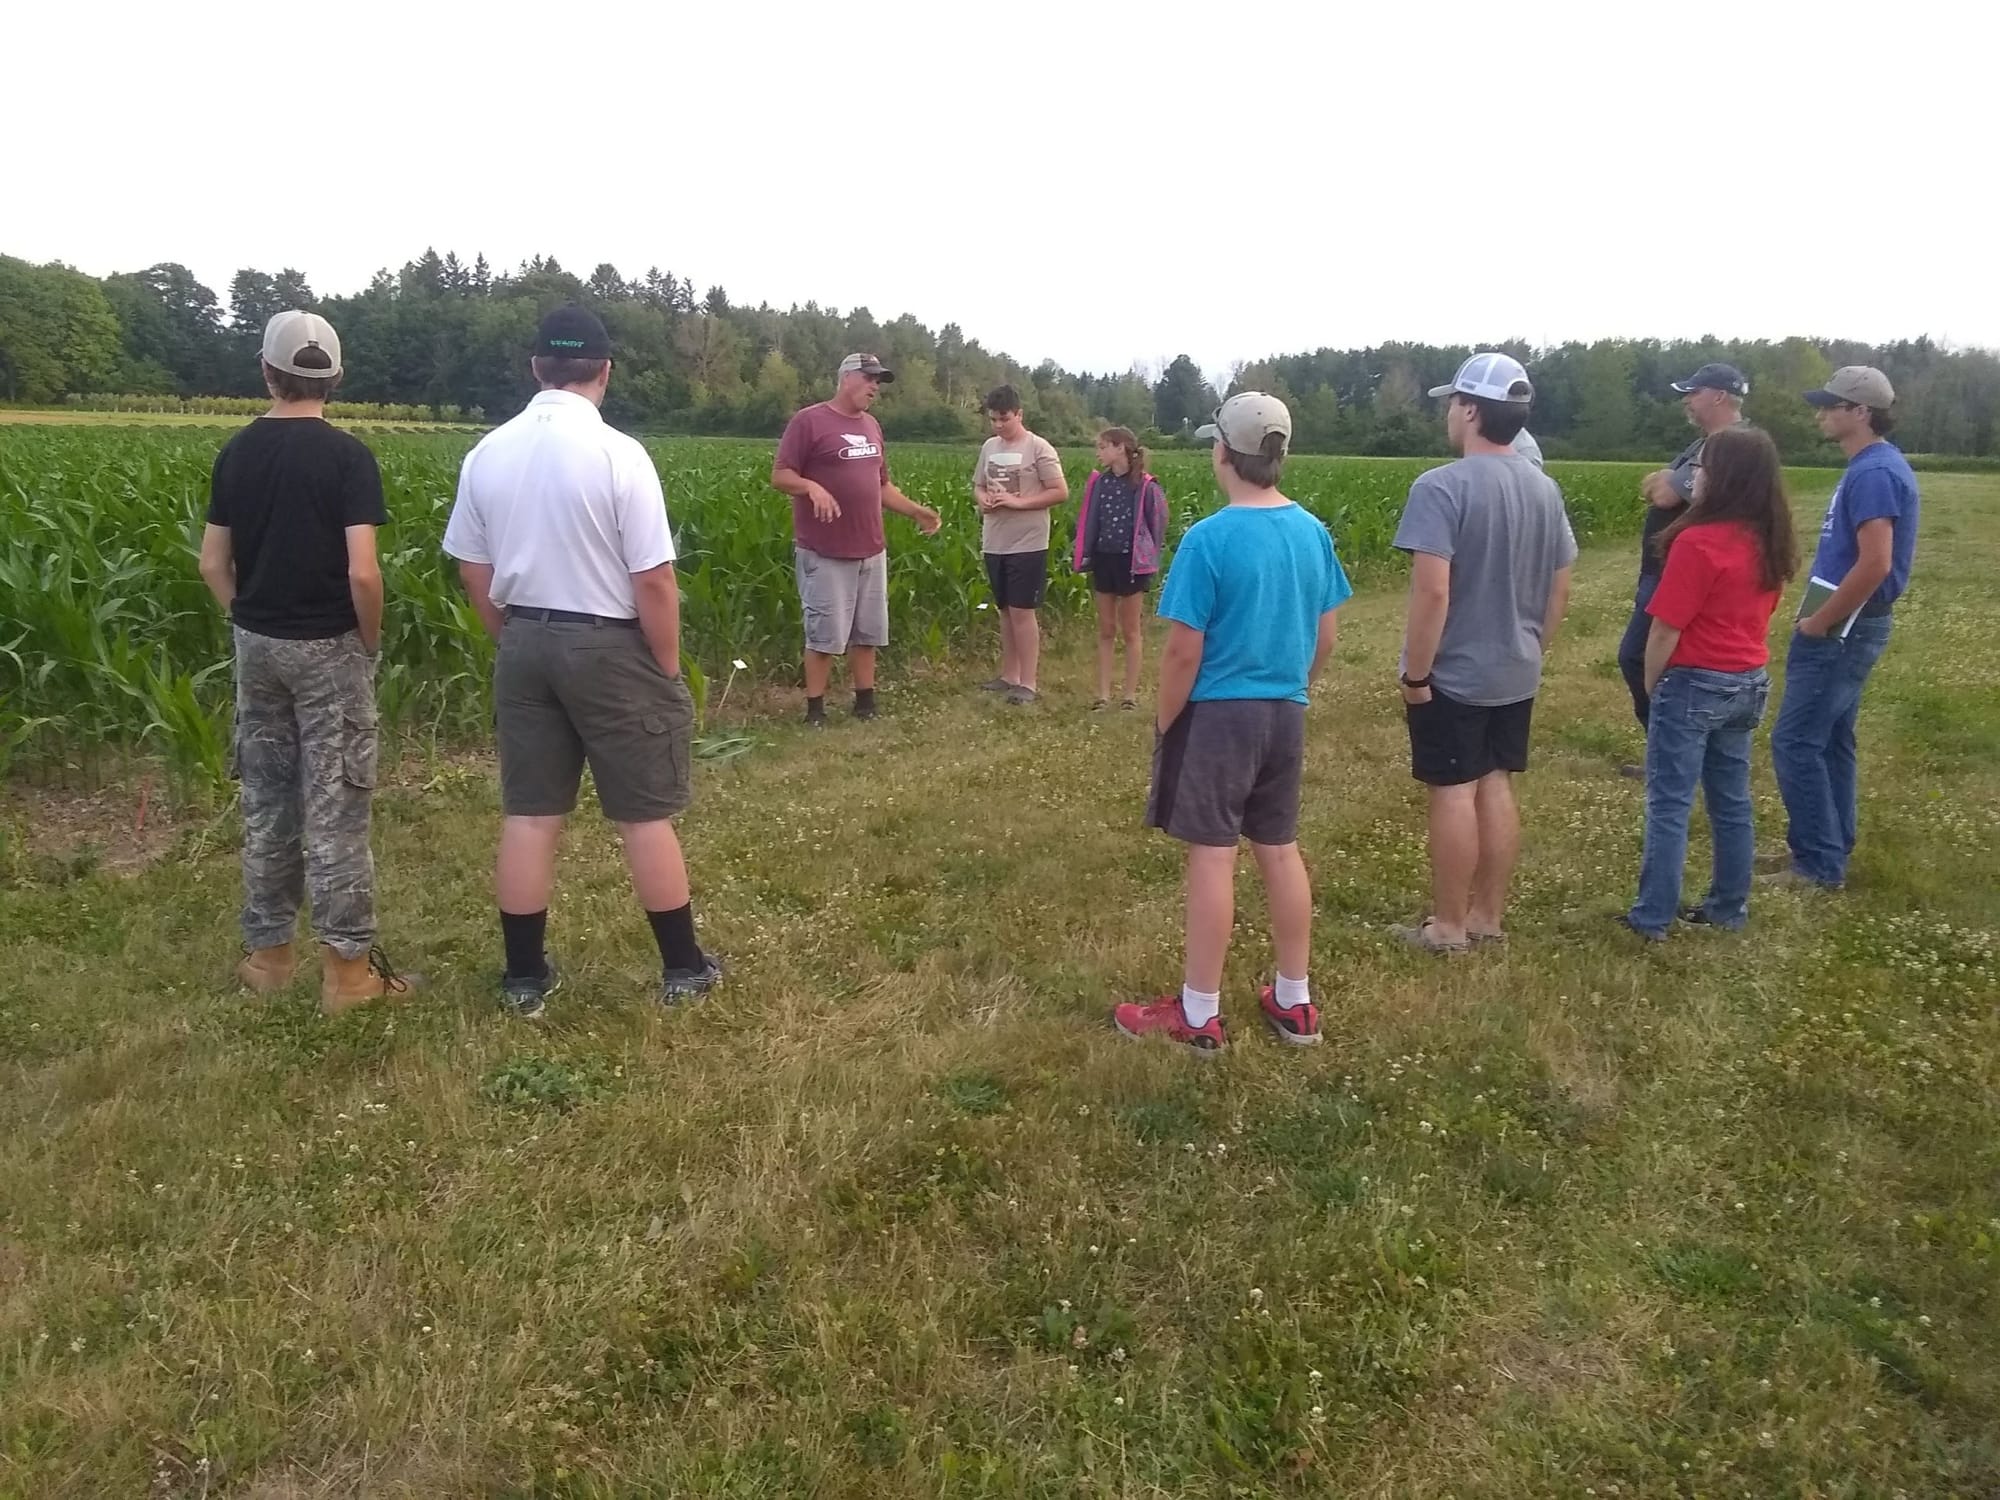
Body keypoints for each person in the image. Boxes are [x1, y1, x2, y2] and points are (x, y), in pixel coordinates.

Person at [443, 305, 719, 1019]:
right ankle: (684, 967)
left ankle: (525, 977)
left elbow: (473, 570)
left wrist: (512, 637)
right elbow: (654, 580)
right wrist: (664, 665)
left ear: (537, 367)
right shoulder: (618, 454)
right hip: (608, 641)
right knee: (642, 817)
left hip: (525, 638)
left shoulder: (486, 453)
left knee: (531, 815)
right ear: (604, 371)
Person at [197, 310, 420, 1016]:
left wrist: (245, 617)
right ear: (336, 377)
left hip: (256, 645)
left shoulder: (237, 453)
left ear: (265, 371)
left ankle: (268, 959)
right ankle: (348, 976)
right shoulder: (348, 457)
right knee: (337, 808)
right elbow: (364, 574)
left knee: (267, 802)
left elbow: (211, 562)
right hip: (329, 649)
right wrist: (368, 642)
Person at [1114, 393, 1352, 1053]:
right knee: (1278, 849)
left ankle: (1198, 1012)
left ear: (1222, 452)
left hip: (1220, 717)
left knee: (1214, 855)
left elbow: (1184, 650)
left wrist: (1167, 722)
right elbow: (1326, 633)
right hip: (1286, 711)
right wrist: (1295, 687)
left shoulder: (1209, 538)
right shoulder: (1311, 531)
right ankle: (1294, 999)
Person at [1393, 353, 1576, 953]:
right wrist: (1533, 646)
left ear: (1471, 410)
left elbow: (1433, 589)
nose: (1449, 413)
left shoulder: (1441, 487)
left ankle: (1447, 927)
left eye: (1453, 402)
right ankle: (1487, 916)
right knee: (1495, 782)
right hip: (1516, 667)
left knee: (1453, 789)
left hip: (1457, 672)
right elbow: (1560, 582)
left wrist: (1417, 675)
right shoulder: (1543, 487)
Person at [1623, 426, 1798, 938]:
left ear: (1725, 478)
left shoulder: (1696, 541)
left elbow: (1665, 628)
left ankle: (1652, 916)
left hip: (1693, 681)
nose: (1693, 474)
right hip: (1748, 680)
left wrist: (1655, 687)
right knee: (1731, 799)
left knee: (1669, 802)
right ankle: (1728, 907)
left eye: (1702, 467)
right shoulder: (1769, 541)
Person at [1765, 367, 1920, 890]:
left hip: (1843, 627)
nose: (1821, 413)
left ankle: (1816, 864)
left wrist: (1818, 623)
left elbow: (1876, 564)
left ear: (1861, 412)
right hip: (1849, 622)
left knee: (1795, 742)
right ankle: (1830, 842)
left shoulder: (1873, 473)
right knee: (1831, 739)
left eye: (1831, 405)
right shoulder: (1872, 466)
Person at [771, 353, 942, 725]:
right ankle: (815, 709)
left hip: (870, 548)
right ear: (847, 378)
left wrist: (916, 510)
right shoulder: (809, 421)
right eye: (869, 379)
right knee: (824, 635)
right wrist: (811, 487)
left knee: (867, 632)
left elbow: (881, 486)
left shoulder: (871, 426)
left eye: (878, 382)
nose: (874, 388)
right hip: (825, 550)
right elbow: (781, 475)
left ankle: (866, 703)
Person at [1617, 363, 1749, 757]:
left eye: (1693, 393)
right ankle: (1671, 751)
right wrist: (1665, 481)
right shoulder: (1706, 443)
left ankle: (1670, 751)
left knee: (1638, 656)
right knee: (1648, 659)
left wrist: (1665, 481)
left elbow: (1665, 494)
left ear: (1718, 396)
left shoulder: (1729, 445)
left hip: (1678, 571)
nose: (1687, 401)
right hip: (1665, 569)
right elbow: (1660, 486)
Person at [972, 385, 1069, 704]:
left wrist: (1018, 502)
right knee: (1004, 611)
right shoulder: (988, 447)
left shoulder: (1039, 448)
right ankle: (1009, 675)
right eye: (993, 420)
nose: (999, 425)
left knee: (1022, 611)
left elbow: (1059, 491)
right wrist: (984, 500)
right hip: (995, 540)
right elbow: (979, 485)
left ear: (1019, 415)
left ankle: (1028, 683)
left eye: (1004, 419)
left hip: (1027, 542)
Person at [1072, 426, 1169, 709]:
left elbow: (1158, 523)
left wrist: (1147, 556)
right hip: (1104, 559)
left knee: (1130, 630)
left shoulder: (1146, 486)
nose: (1098, 452)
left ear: (1120, 448)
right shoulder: (1100, 484)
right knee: (1105, 629)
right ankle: (1102, 694)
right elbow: (1091, 521)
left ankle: (1129, 695)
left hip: (1132, 564)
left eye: (1102, 447)